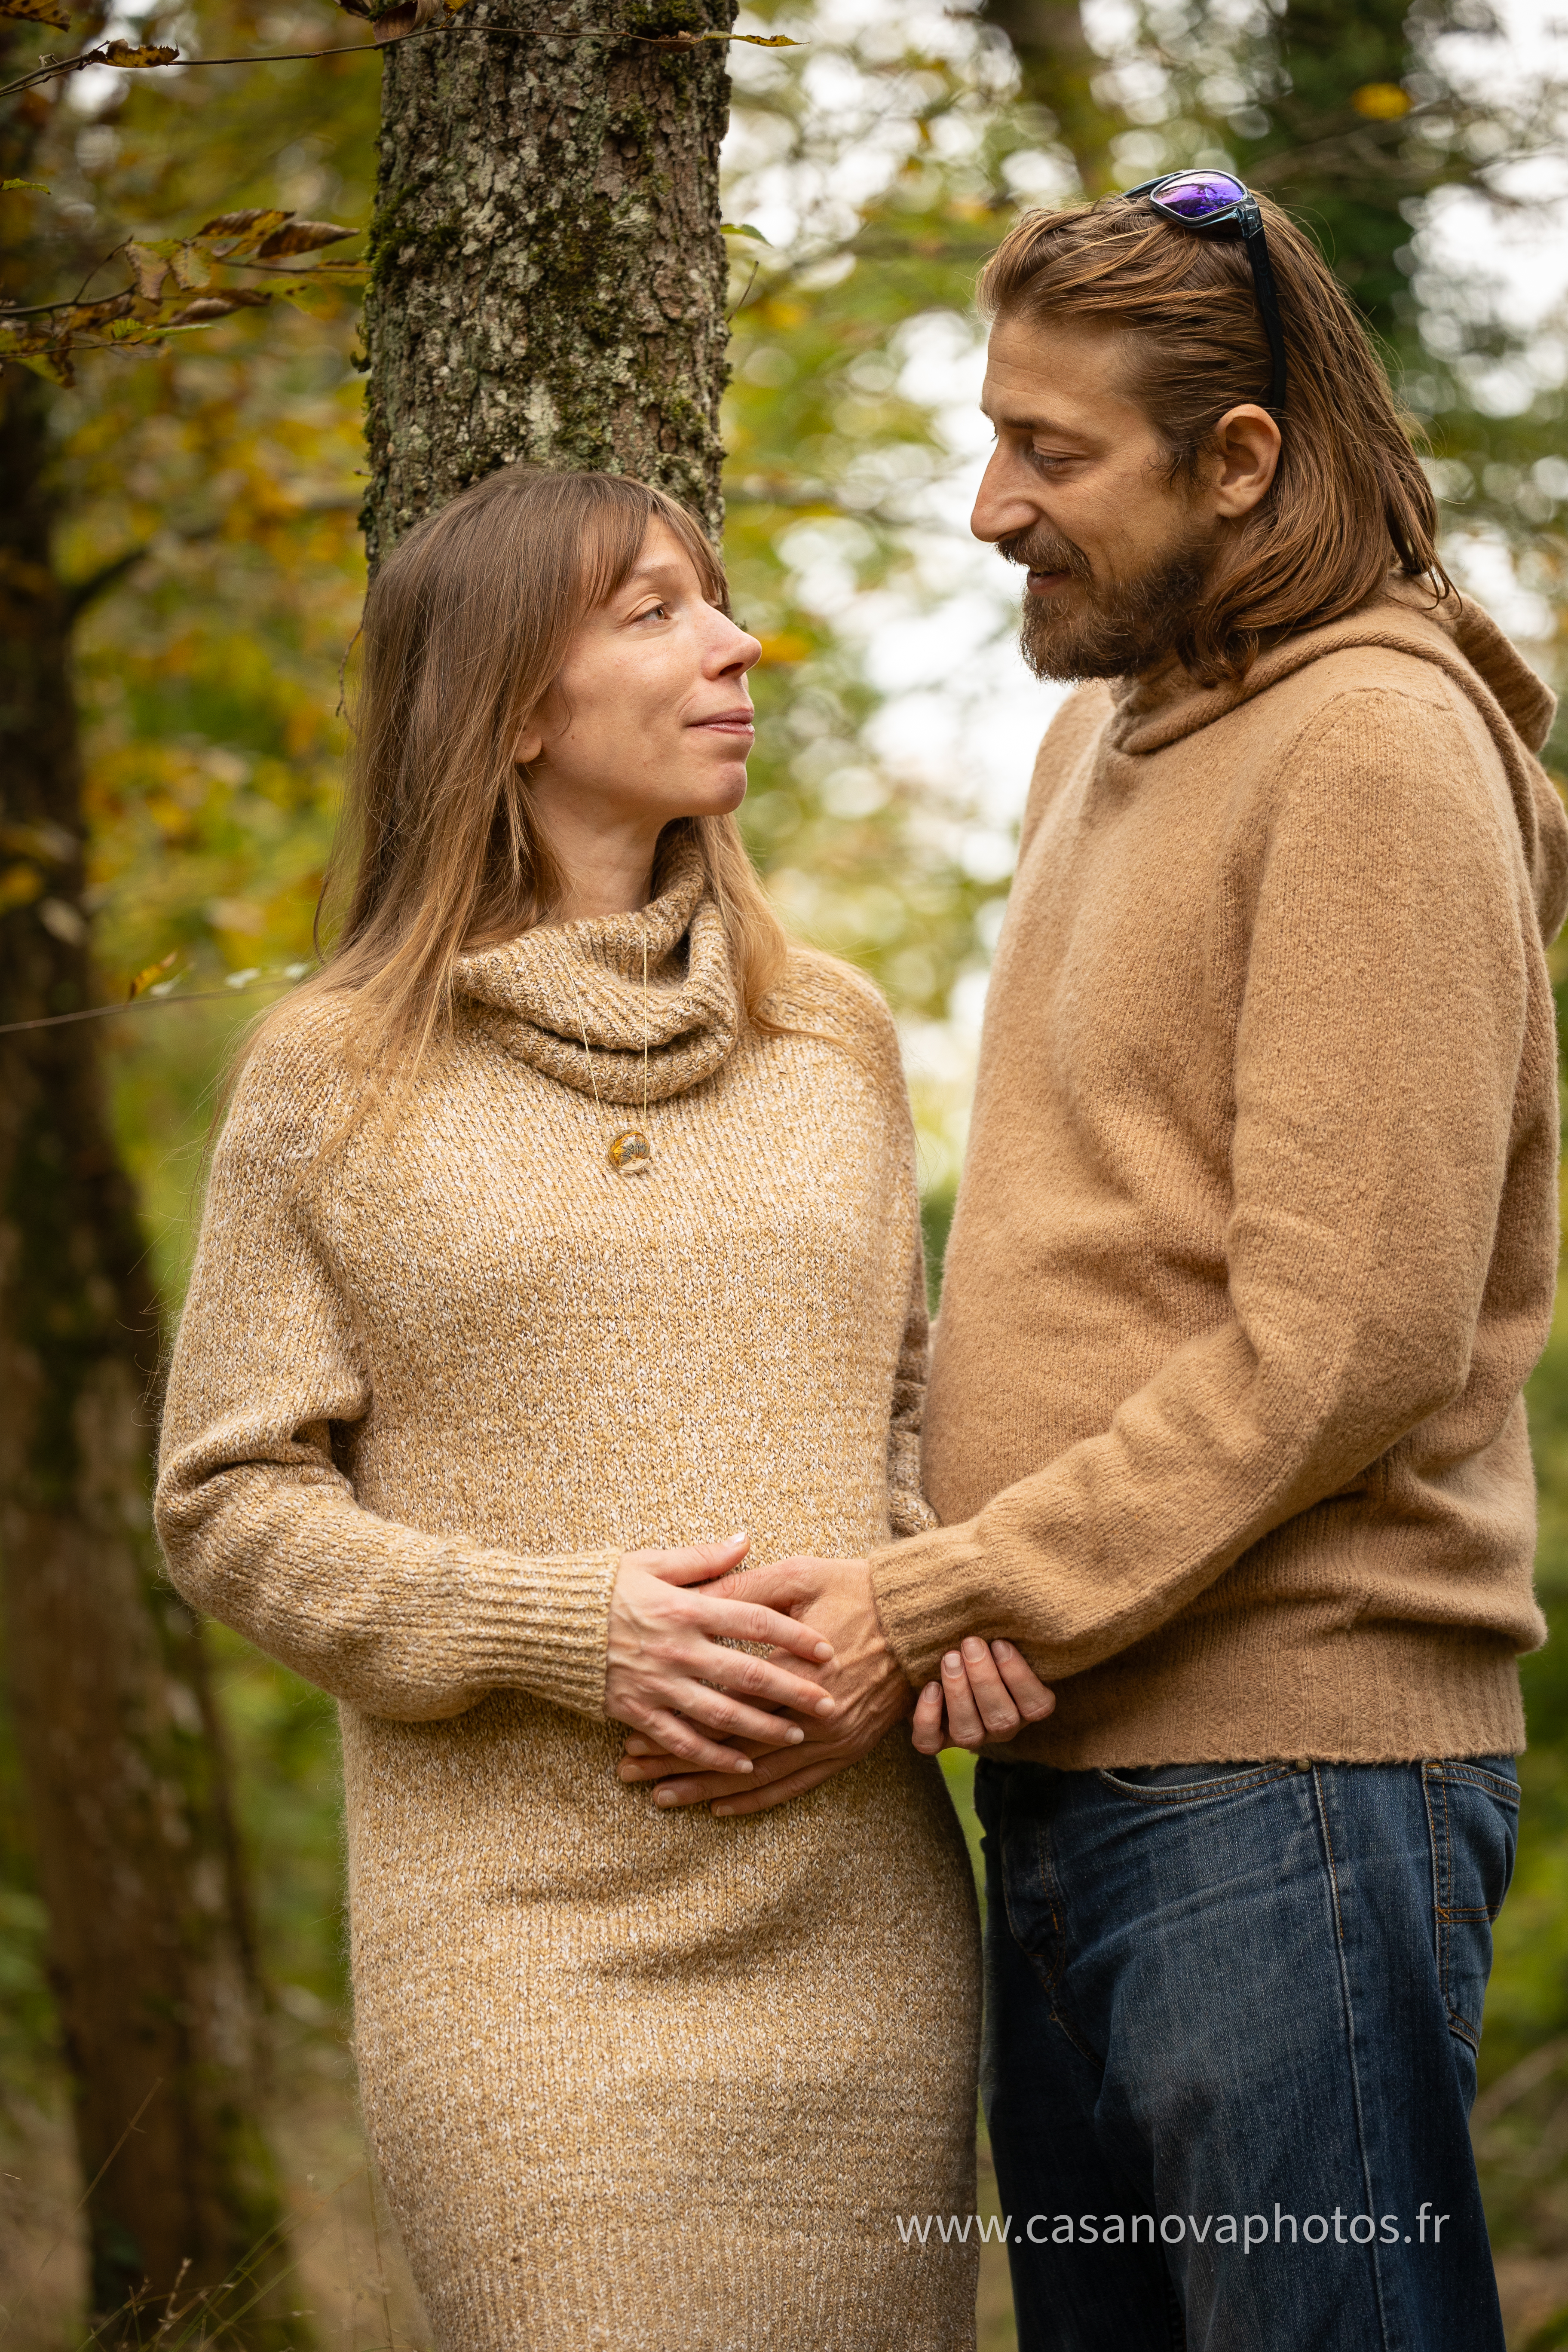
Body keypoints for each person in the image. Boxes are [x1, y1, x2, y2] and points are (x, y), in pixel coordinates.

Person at [628, 184, 1567, 2350]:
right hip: (1065, 1752)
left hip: (1296, 1787)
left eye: (1054, 454)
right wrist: (992, 1588)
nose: (989, 507)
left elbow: (1343, 1342)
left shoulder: (1376, 748)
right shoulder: (1099, 743)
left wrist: (942, 1591)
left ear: (1239, 460)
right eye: (993, 436)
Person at [153, 465, 1001, 2352]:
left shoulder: (834, 1038)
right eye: (656, 612)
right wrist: (564, 1627)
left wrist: (942, 1611)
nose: (736, 646)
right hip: (520, 1950)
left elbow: (900, 1425)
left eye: (719, 601)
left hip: (853, 1917)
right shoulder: (334, 1074)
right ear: (512, 707)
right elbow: (226, 1498)